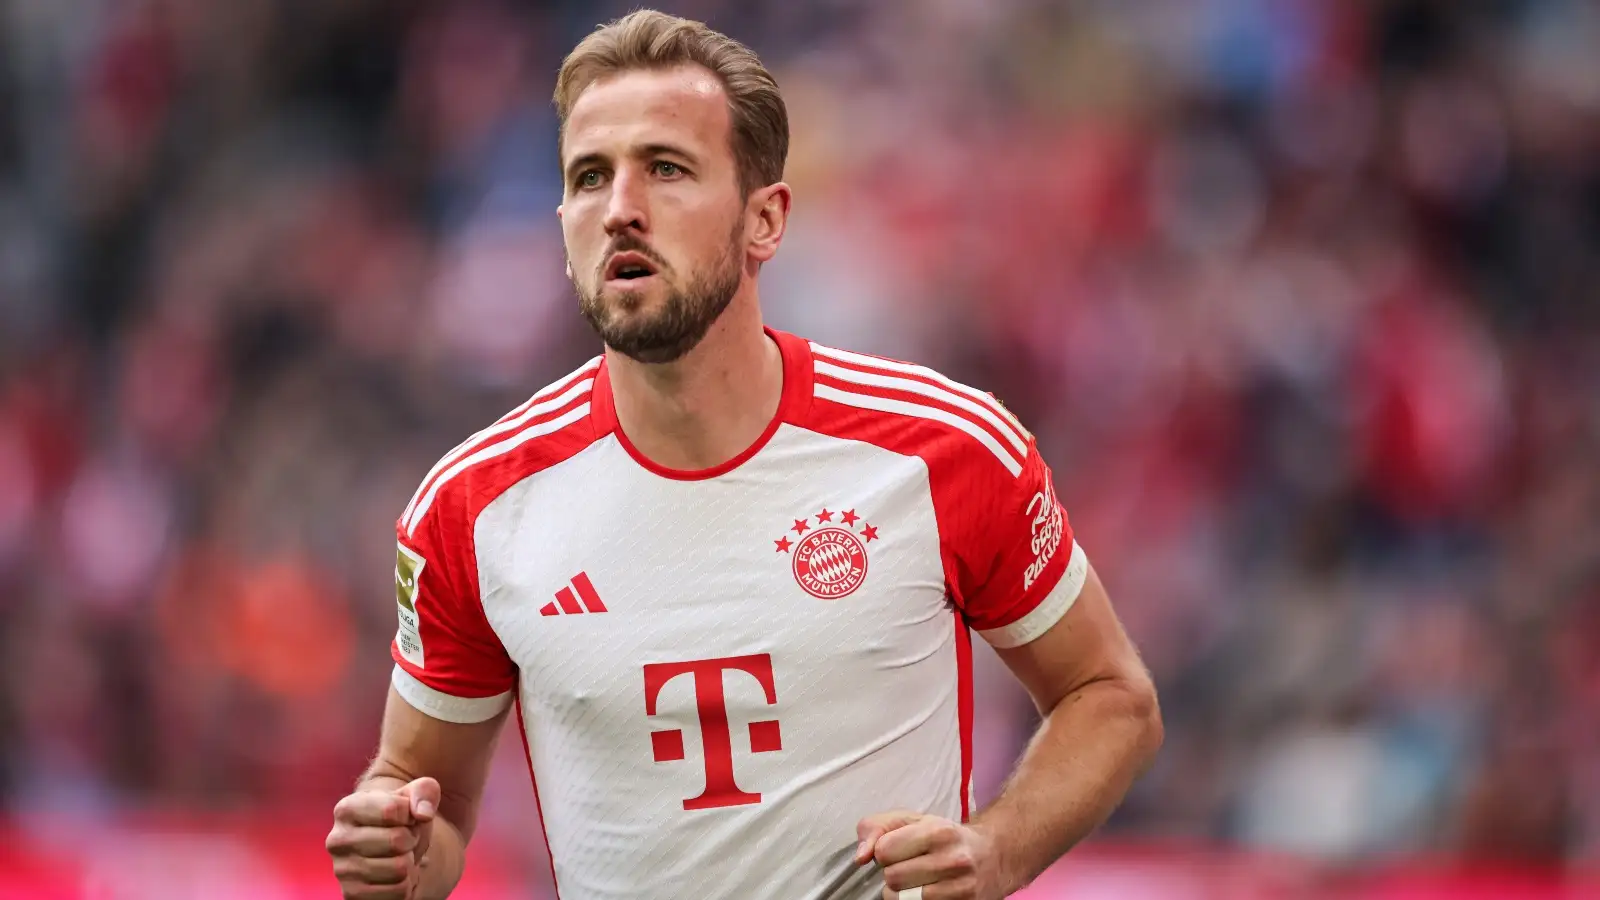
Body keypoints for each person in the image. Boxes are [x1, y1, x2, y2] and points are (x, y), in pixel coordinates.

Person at [325, 10, 1162, 900]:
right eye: (589, 177)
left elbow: (1112, 699)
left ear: (765, 220)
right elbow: (431, 800)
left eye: (667, 170)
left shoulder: (944, 449)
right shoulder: (472, 509)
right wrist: (399, 851)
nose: (621, 211)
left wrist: (997, 851)